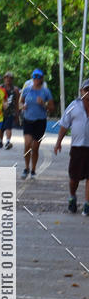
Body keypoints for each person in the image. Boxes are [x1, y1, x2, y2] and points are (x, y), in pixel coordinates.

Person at [54, 78, 89, 214]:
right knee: (74, 177)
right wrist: (58, 142)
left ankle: (87, 204)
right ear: (81, 91)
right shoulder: (74, 106)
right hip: (77, 147)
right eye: (87, 90)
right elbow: (64, 125)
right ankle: (72, 197)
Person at [19, 68, 55, 179]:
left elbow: (52, 108)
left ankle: (33, 169)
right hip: (28, 120)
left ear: (42, 79)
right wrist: (22, 107)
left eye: (39, 77)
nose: (36, 79)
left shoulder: (45, 91)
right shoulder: (27, 90)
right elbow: (20, 103)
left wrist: (43, 104)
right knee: (27, 144)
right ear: (32, 77)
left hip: (40, 121)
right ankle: (26, 168)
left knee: (35, 147)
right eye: (34, 76)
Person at [0, 72, 19, 150]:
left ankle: (8, 141)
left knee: (8, 127)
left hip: (10, 111)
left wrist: (17, 114)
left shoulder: (15, 89)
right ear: (4, 79)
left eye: (10, 78)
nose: (8, 79)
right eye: (6, 78)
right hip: (0, 111)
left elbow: (17, 102)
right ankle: (0, 141)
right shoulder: (0, 88)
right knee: (0, 128)